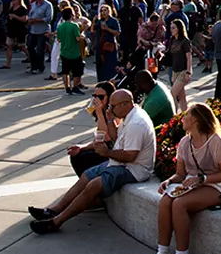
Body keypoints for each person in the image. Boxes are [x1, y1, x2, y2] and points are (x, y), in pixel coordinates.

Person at [29, 88, 155, 233]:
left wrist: (107, 152)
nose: (111, 109)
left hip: (135, 169)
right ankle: (54, 210)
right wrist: (109, 119)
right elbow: (115, 137)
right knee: (86, 176)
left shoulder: (136, 124)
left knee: (94, 185)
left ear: (125, 104)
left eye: (113, 106)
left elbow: (131, 156)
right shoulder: (129, 116)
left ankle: (57, 222)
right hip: (122, 163)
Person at [148, 103, 221, 254]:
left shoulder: (216, 142)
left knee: (179, 204)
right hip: (192, 183)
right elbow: (180, 174)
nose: (183, 118)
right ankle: (163, 251)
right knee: (166, 200)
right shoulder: (185, 142)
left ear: (194, 120)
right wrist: (169, 181)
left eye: (186, 115)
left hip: (215, 185)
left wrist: (202, 179)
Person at [69, 82, 118, 177]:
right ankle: (86, 183)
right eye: (95, 96)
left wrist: (99, 112)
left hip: (113, 150)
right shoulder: (102, 112)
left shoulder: (115, 113)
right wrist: (81, 147)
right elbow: (98, 140)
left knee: (87, 158)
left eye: (101, 97)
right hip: (104, 146)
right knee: (76, 155)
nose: (97, 100)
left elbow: (105, 137)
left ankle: (90, 182)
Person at [25, 0, 53, 75]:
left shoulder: (48, 5)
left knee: (40, 50)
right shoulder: (33, 4)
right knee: (30, 47)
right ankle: (33, 66)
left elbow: (49, 18)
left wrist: (37, 20)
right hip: (33, 30)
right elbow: (30, 15)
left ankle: (40, 67)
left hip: (43, 30)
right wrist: (29, 20)